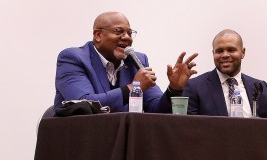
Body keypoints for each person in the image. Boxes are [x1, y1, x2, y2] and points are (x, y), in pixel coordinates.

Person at [54, 11, 198, 113]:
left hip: (121, 140)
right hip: (80, 141)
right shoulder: (73, 58)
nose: (127, 38)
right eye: (119, 31)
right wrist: (133, 88)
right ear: (98, 35)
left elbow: (155, 109)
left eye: (130, 33)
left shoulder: (137, 60)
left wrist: (173, 89)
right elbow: (85, 104)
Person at [185, 29, 267, 120]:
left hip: (253, 155)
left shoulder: (260, 87)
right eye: (219, 51)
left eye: (231, 50)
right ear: (213, 53)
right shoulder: (195, 87)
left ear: (243, 52)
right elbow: (189, 129)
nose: (224, 55)